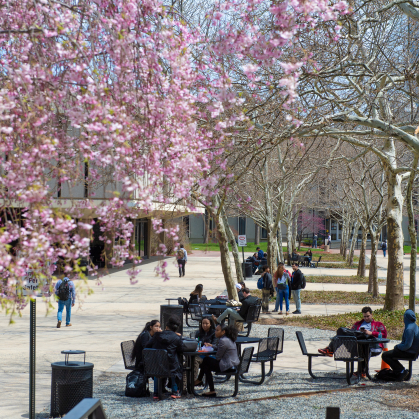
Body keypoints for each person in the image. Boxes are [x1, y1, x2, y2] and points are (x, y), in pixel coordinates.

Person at [318, 307, 387, 373]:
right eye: (364, 316)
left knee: (364, 348)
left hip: (372, 344)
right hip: (357, 343)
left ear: (371, 315)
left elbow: (384, 334)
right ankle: (330, 349)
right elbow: (350, 333)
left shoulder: (378, 324)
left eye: (368, 316)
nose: (366, 318)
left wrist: (371, 333)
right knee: (341, 330)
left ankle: (362, 371)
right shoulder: (358, 324)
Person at [194, 324, 240, 397]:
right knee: (206, 363)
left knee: (206, 361)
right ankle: (203, 383)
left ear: (223, 331)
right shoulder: (229, 338)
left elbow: (218, 357)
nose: (215, 332)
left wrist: (209, 356)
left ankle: (205, 385)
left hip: (227, 366)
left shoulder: (223, 340)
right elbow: (220, 348)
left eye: (217, 330)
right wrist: (212, 346)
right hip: (233, 364)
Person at [146, 316, 183, 399]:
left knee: (157, 367)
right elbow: (181, 350)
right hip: (171, 367)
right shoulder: (176, 337)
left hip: (156, 365)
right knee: (176, 364)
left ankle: (156, 392)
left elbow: (147, 345)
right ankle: (174, 391)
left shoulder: (156, 335)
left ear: (166, 327)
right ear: (175, 329)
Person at [382, 309, 419, 381]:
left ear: (405, 317)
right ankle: (400, 371)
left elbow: (407, 345)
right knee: (390, 353)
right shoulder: (414, 326)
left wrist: (397, 347)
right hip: (412, 351)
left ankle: (401, 371)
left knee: (385, 355)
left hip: (409, 352)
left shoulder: (409, 329)